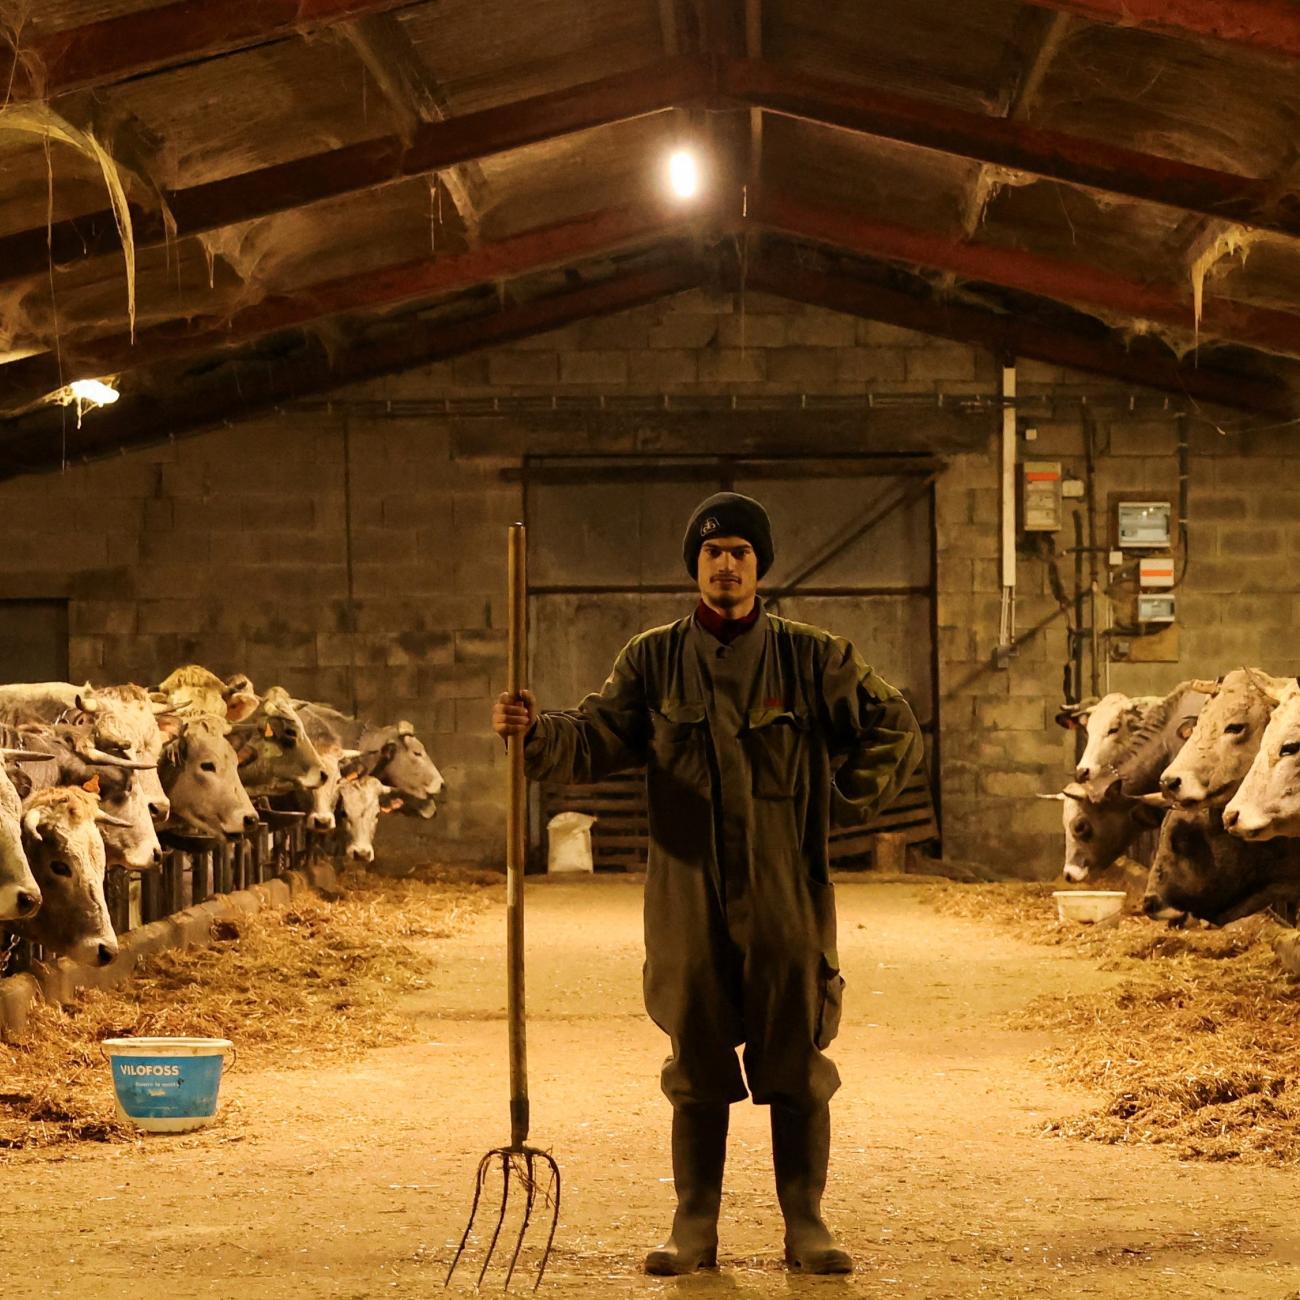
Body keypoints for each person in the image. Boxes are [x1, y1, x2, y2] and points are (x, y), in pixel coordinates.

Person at [491, 491, 923, 1275]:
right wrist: (537, 731)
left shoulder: (814, 657)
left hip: (785, 884)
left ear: (760, 567)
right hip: (686, 888)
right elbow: (597, 736)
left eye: (741, 553)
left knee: (793, 1047)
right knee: (695, 1051)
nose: (727, 564)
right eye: (713, 552)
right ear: (695, 565)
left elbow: (894, 726)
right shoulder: (653, 659)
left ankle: (806, 1224)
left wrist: (837, 801)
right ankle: (695, 1224)